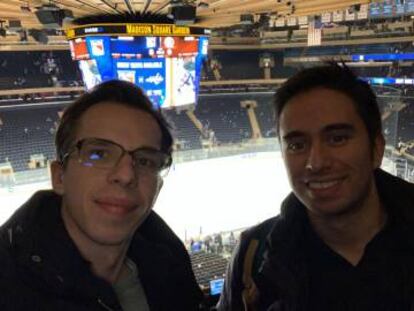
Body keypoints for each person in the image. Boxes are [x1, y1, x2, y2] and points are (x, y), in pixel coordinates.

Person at [217, 63, 414, 310]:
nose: (316, 163)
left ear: (376, 148)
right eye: (297, 145)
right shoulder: (252, 257)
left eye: (337, 138)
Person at [0, 80, 203, 310]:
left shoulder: (172, 271)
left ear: (158, 187)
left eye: (145, 160)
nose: (126, 175)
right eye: (99, 154)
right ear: (59, 177)